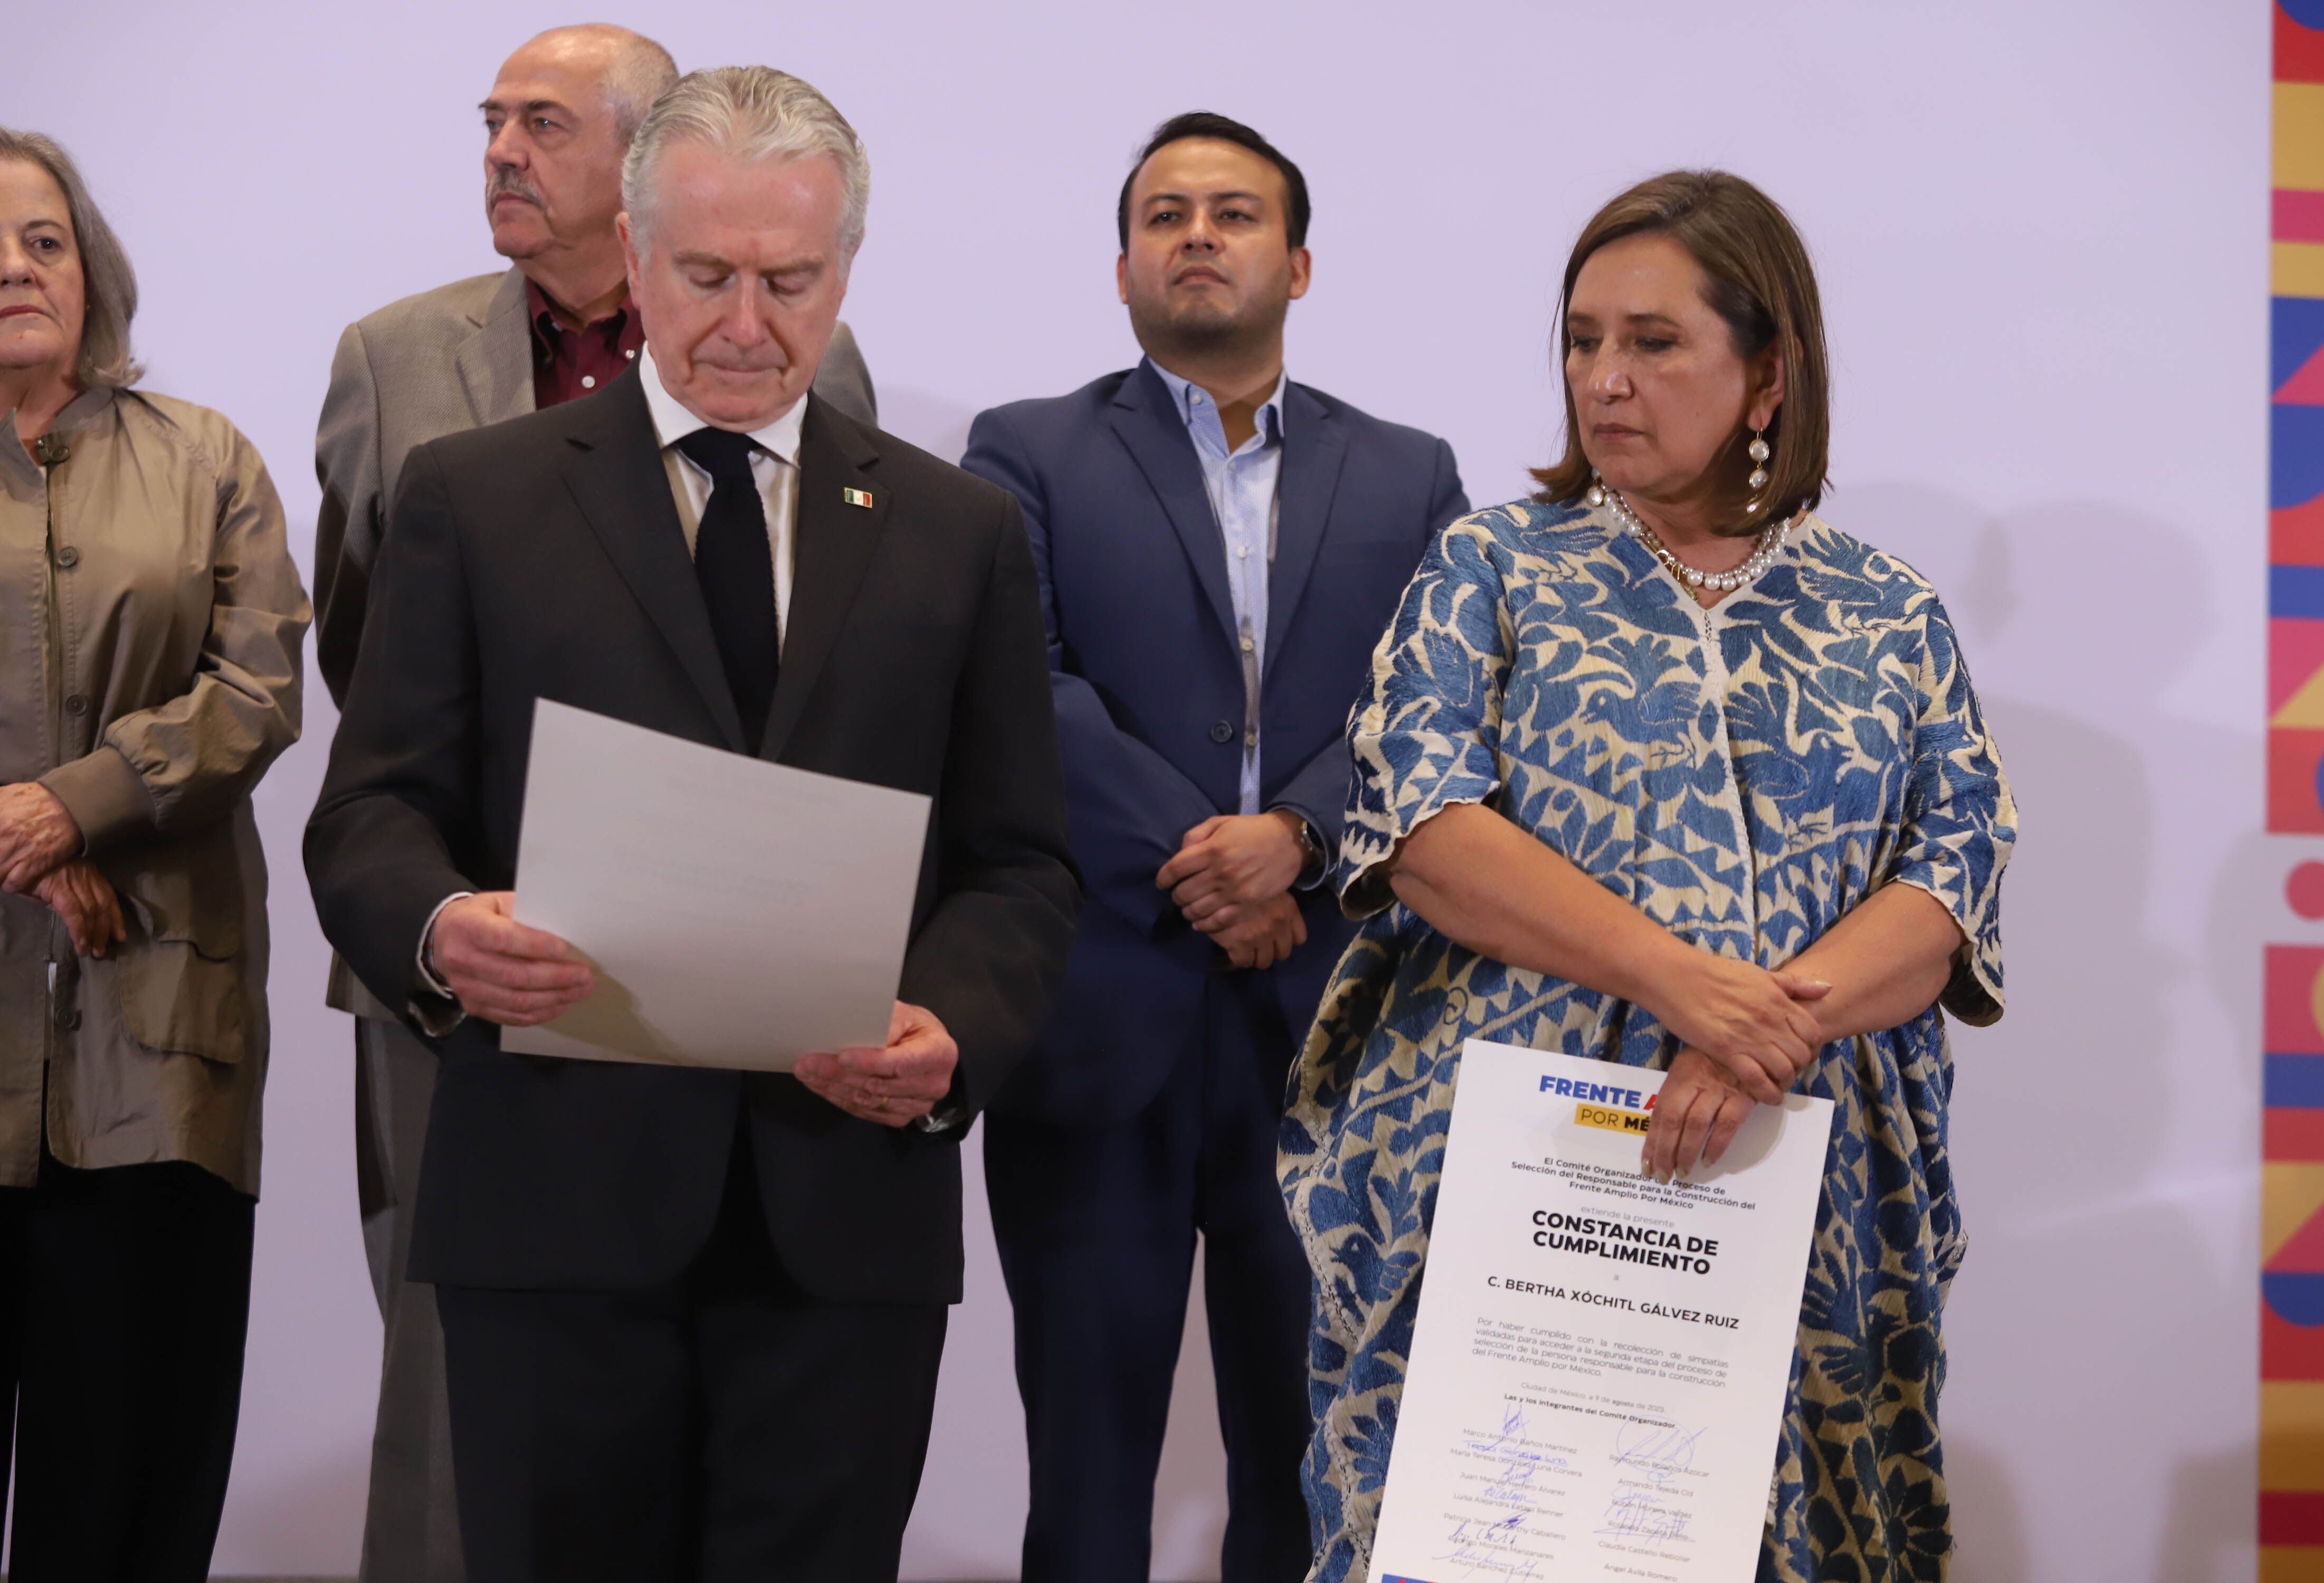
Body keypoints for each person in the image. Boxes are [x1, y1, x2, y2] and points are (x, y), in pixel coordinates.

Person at [305, 66, 1076, 1582]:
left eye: (789, 282)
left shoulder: (957, 530)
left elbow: (1020, 863)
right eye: (709, 276)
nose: (745, 323)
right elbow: (373, 811)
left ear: (842, 271)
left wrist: (951, 1027)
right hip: (553, 1206)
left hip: (844, 1206)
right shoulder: (474, 495)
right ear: (639, 259)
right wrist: (443, 925)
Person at [1278, 169, 2016, 1583]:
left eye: (1653, 342)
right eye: (1580, 340)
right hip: (1508, 1180)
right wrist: (1681, 984)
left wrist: (1756, 1034)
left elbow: (1951, 881)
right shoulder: (1491, 566)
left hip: (1784, 1177)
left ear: (1766, 375)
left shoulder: (1886, 609)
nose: (1603, 381)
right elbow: (1421, 826)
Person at [964, 113, 1466, 1583]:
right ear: (1120, 262)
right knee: (1085, 1458)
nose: (1197, 234)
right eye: (1165, 212)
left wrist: (1297, 841)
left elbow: (1426, 700)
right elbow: (1018, 684)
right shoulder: (1027, 451)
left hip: (1333, 1022)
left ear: (1297, 264)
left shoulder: (1409, 472)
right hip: (1098, 1012)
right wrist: (1207, 854)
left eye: (1234, 213)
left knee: (1311, 1454)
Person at [0, 129, 310, 1578]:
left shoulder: (206, 458)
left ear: (90, 266)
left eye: (44, 240)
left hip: (155, 1035)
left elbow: (258, 691)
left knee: (129, 1478)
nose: (15, 265)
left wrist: (85, 800)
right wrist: (23, 828)